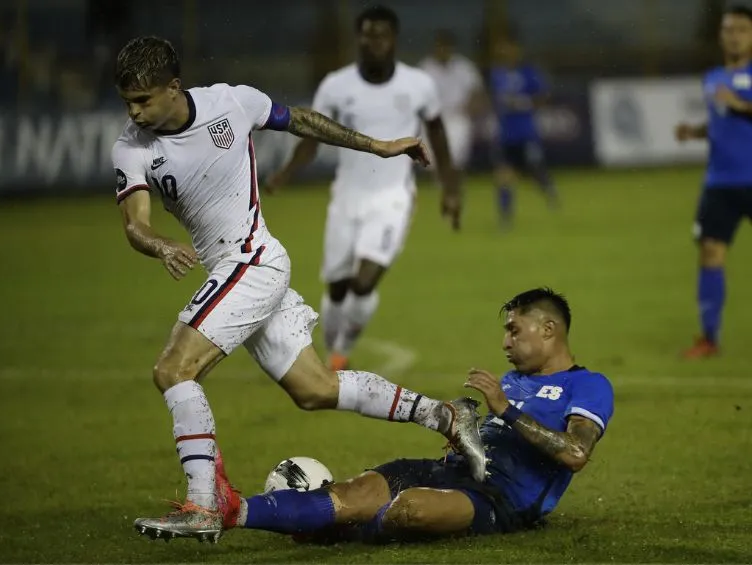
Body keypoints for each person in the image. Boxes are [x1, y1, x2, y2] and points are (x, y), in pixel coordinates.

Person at [110, 36, 485, 542]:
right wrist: (159, 245)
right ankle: (445, 414)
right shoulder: (132, 146)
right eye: (128, 102)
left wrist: (378, 146)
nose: (133, 112)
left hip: (253, 260)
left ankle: (202, 504)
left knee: (173, 369)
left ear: (173, 88)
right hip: (236, 269)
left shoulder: (230, 103)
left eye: (143, 100)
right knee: (315, 390)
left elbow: (302, 120)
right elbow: (135, 223)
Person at [214, 288, 614, 543]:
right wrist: (463, 432)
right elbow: (490, 437)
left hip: (500, 499)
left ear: (548, 329)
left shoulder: (589, 386)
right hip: (448, 471)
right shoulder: (510, 379)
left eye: (515, 330)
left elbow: (575, 453)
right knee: (351, 494)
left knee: (412, 510)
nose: (504, 341)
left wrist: (505, 411)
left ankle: (322, 528)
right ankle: (232, 511)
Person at [265, 6, 462, 372]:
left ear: (394, 40)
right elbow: (312, 132)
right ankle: (331, 348)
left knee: (363, 282)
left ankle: (340, 354)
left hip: (393, 199)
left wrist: (450, 187)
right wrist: (287, 172)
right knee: (337, 287)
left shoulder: (418, 84)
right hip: (346, 199)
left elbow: (436, 131)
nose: (374, 42)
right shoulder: (336, 86)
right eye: (368, 35)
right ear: (358, 39)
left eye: (381, 35)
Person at [675, 5, 752, 358]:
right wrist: (696, 131)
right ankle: (709, 337)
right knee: (710, 253)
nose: (733, 36)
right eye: (728, 30)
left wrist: (737, 103)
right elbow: (722, 123)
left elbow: (736, 109)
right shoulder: (713, 77)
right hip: (719, 182)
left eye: (741, 29)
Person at [488, 36, 558, 229]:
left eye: (510, 49)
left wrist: (523, 103)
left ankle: (548, 189)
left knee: (533, 171)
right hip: (506, 135)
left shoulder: (529, 73)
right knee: (503, 176)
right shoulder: (497, 74)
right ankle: (505, 218)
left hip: (526, 133)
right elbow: (497, 100)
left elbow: (544, 96)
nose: (506, 54)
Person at [419, 29, 484, 171]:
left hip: (457, 117)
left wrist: (470, 108)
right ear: (435, 47)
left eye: (446, 47)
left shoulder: (464, 67)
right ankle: (438, 185)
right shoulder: (425, 68)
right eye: (440, 46)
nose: (443, 50)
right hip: (433, 119)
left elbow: (477, 93)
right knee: (431, 160)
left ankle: (454, 184)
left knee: (455, 159)